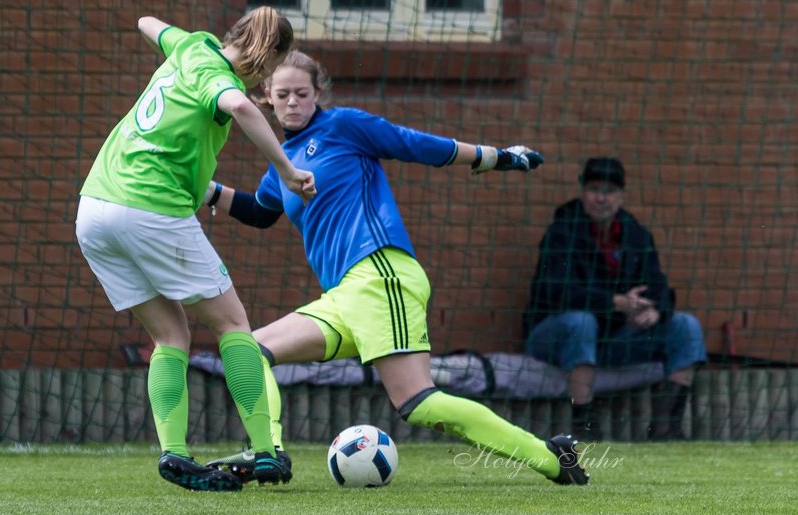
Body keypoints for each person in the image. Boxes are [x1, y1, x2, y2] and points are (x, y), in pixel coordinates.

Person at [203, 51, 589, 486]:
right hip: (345, 294)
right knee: (248, 352)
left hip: (381, 274)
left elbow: (415, 143)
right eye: (283, 94)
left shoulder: (343, 126)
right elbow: (259, 211)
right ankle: (267, 453)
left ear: (318, 94)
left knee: (417, 402)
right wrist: (204, 188)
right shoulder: (282, 161)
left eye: (302, 93)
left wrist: (496, 156)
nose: (293, 102)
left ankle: (554, 458)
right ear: (265, 99)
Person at [76, 8, 316, 493]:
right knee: (231, 323)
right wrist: (288, 172)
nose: (266, 81)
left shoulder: (191, 46)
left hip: (94, 209)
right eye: (271, 70)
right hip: (150, 209)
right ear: (264, 53)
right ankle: (265, 453)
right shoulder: (217, 75)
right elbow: (242, 108)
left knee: (170, 335)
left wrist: (177, 46)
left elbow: (143, 20)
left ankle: (175, 454)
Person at [522, 157, 708, 441]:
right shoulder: (561, 234)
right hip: (553, 340)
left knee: (686, 326)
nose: (601, 198)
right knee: (581, 322)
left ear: (621, 196)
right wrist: (615, 303)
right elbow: (556, 293)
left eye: (608, 191)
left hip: (611, 341)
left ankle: (666, 428)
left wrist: (654, 311)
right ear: (583, 191)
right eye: (594, 189)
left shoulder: (636, 235)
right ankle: (583, 425)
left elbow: (659, 286)